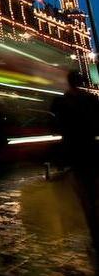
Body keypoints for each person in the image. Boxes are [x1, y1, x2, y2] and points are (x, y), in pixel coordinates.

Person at [51, 70, 99, 260]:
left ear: (69, 82)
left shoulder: (62, 102)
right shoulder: (92, 100)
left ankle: (95, 235)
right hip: (92, 150)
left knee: (86, 197)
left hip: (74, 153)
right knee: (94, 192)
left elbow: (56, 126)